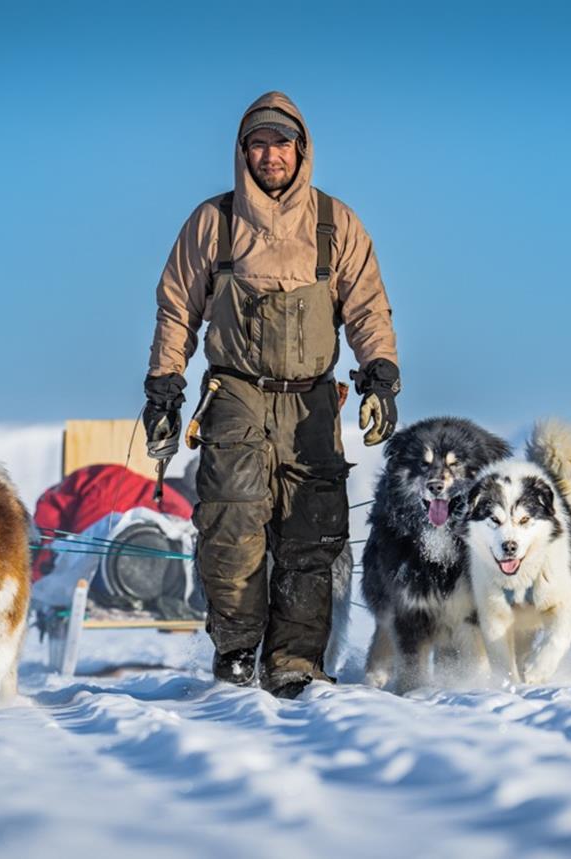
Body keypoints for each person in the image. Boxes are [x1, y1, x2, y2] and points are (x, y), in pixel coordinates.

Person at [142, 91, 400, 698]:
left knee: (312, 532)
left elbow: (366, 306)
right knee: (232, 523)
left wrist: (381, 376)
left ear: (300, 149)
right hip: (234, 392)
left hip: (312, 401)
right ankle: (236, 649)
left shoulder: (336, 223)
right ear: (242, 152)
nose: (270, 154)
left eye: (281, 142)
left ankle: (294, 662)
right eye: (258, 143)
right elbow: (176, 308)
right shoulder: (214, 221)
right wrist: (163, 389)